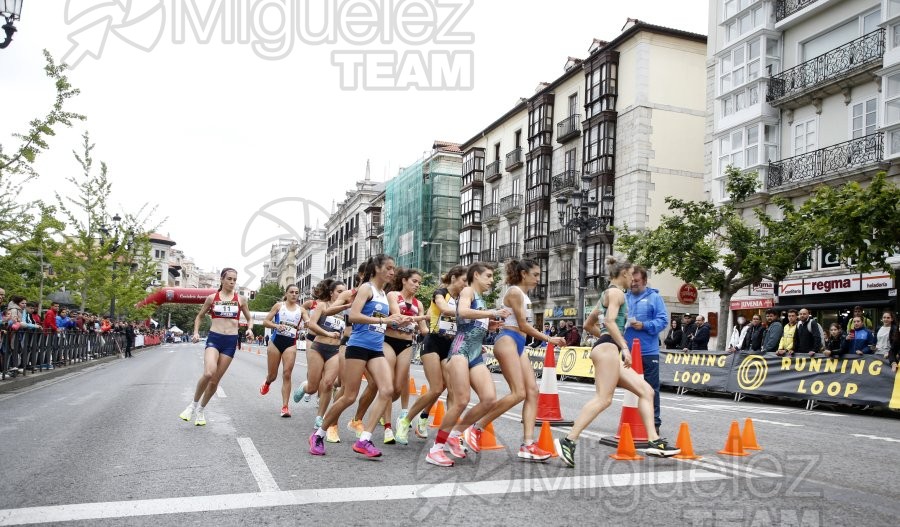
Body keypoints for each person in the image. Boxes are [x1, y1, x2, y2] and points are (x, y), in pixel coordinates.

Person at [555, 255, 679, 468]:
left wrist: (606, 338)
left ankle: (654, 441)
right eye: (631, 274)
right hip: (609, 350)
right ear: (624, 274)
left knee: (646, 391)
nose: (633, 278)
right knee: (604, 399)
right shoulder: (616, 294)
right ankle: (568, 440)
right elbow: (610, 321)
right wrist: (622, 346)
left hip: (606, 348)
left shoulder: (608, 293)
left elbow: (588, 324)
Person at [308, 254, 410, 458]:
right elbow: (353, 316)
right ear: (377, 269)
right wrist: (385, 320)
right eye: (389, 268)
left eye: (393, 268)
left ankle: (365, 439)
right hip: (357, 346)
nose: (393, 272)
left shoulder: (383, 293)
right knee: (349, 396)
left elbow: (384, 320)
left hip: (376, 348)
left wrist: (398, 321)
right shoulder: (367, 289)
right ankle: (318, 434)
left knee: (387, 390)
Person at [462, 259, 565, 459]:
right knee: (518, 393)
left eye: (539, 275)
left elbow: (523, 327)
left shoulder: (523, 295)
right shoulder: (515, 292)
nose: (538, 279)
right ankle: (476, 427)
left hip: (518, 342)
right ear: (523, 274)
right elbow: (523, 325)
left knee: (532, 392)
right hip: (508, 339)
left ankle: (528, 444)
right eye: (535, 274)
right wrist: (549, 338)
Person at [424, 262, 509, 467]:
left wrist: (489, 325)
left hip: (475, 353)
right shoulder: (467, 291)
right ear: (476, 275)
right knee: (461, 400)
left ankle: (455, 433)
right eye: (488, 276)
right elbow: (462, 312)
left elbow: (472, 321)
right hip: (460, 350)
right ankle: (435, 449)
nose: (491, 280)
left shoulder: (480, 297)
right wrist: (491, 313)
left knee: (489, 399)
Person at [353, 267, 429, 445]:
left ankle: (382, 412)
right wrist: (419, 318)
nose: (417, 285)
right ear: (404, 280)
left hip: (407, 344)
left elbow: (424, 329)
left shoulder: (419, 304)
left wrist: (438, 327)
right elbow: (397, 315)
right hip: (388, 341)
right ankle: (387, 427)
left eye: (419, 283)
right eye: (414, 281)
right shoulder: (393, 295)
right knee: (385, 387)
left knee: (396, 389)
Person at [395, 266, 467, 445]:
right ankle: (405, 420)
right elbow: (443, 308)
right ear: (453, 278)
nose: (466, 284)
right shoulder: (440, 293)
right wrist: (468, 314)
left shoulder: (463, 299)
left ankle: (444, 430)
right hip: (433, 343)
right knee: (436, 388)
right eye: (464, 280)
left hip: (452, 345)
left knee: (451, 389)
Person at [179, 268, 254, 426]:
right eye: (229, 279)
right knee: (208, 373)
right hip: (214, 338)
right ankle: (192, 406)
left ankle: (201, 410)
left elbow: (249, 318)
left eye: (235, 279)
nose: (232, 282)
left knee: (214, 382)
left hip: (230, 342)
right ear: (222, 279)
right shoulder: (212, 298)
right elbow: (199, 316)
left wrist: (249, 329)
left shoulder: (240, 300)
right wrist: (196, 332)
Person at [296, 279, 350, 443]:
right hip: (318, 347)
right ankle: (304, 387)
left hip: (334, 351)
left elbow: (348, 329)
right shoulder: (322, 306)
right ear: (332, 292)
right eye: (339, 291)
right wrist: (327, 334)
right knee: (313, 387)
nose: (343, 294)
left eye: (344, 291)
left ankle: (320, 417)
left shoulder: (346, 311)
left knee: (327, 384)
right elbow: (311, 325)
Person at [624, 266, 669, 435]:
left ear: (644, 281)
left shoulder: (655, 298)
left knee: (651, 389)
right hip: (627, 352)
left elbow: (663, 321)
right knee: (630, 389)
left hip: (648, 352)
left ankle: (654, 424)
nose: (633, 284)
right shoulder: (623, 297)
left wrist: (645, 325)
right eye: (631, 281)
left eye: (637, 281)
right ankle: (630, 421)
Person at [260, 284, 308, 418]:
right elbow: (265, 321)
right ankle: (267, 382)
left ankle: (285, 407)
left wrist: (310, 323)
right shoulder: (278, 306)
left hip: (290, 344)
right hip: (276, 342)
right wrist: (276, 325)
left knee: (287, 373)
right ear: (286, 294)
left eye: (296, 292)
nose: (294, 294)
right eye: (291, 292)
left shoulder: (302, 310)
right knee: (273, 375)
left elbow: (308, 322)